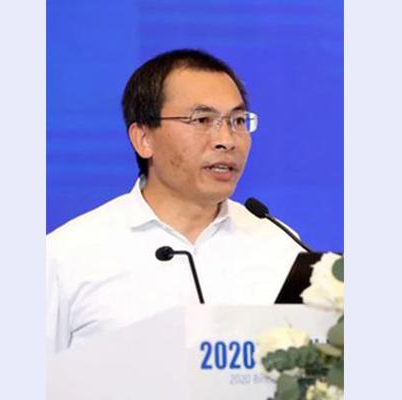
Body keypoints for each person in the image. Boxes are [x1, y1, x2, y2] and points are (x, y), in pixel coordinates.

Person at [46, 49, 301, 353]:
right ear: (144, 138)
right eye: (202, 119)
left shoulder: (282, 244)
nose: (227, 140)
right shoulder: (67, 255)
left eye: (237, 121)